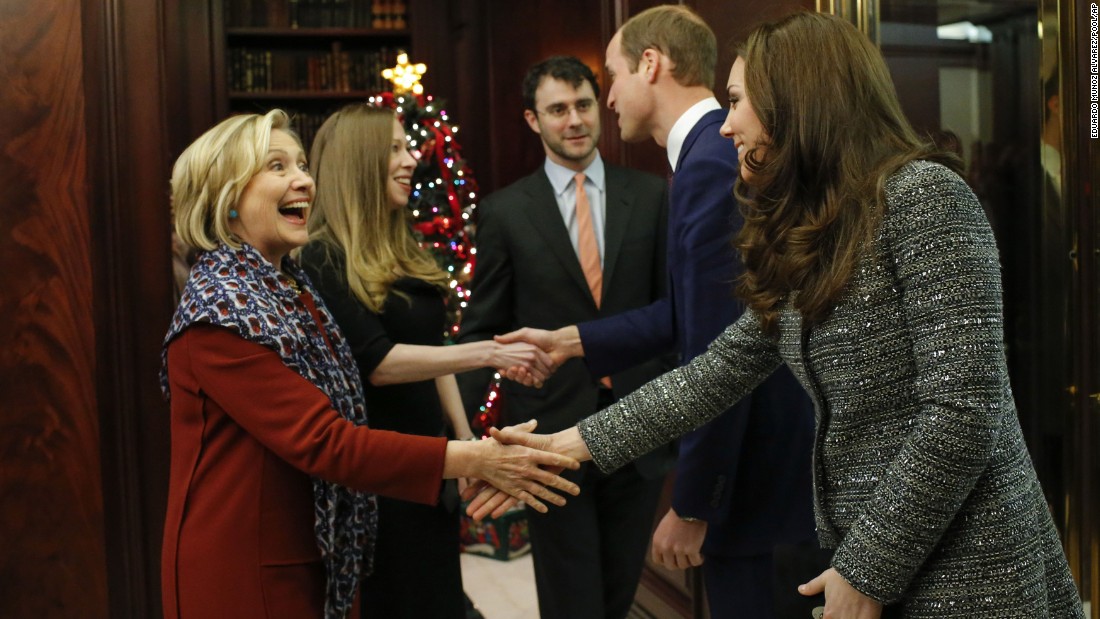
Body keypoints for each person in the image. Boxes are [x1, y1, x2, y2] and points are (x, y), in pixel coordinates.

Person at [479, 11, 1086, 618]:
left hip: (969, 568)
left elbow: (963, 411)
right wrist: (565, 446)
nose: (726, 126)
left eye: (738, 101)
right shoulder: (815, 230)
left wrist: (866, 570)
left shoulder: (925, 197)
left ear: (797, 101)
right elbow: (715, 373)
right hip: (876, 554)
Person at [159, 109, 580, 619]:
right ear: (227, 200)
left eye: (300, 164)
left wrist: (466, 442)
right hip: (248, 571)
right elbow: (326, 442)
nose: (303, 180)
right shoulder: (220, 314)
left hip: (312, 548)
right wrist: (477, 458)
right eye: (276, 166)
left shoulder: (289, 286)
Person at [497, 6, 816, 617]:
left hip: (754, 485)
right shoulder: (707, 157)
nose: (608, 96)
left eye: (612, 76)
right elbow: (696, 314)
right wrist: (574, 341)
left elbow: (719, 354)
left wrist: (695, 501)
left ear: (651, 64)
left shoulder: (709, 163)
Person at [298, 102, 554, 619]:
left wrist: (462, 444)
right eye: (395, 148)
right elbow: (380, 362)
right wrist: (488, 351)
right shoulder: (321, 256)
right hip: (377, 476)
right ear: (360, 161)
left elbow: (434, 354)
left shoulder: (402, 245)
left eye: (407, 146)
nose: (412, 158)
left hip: (430, 468)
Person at [455, 55, 673, 619]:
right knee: (570, 597)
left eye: (581, 105)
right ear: (534, 120)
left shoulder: (652, 197)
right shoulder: (505, 213)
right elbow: (483, 330)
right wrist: (454, 439)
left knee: (619, 589)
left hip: (640, 423)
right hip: (550, 435)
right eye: (557, 110)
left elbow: (672, 315)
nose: (573, 120)